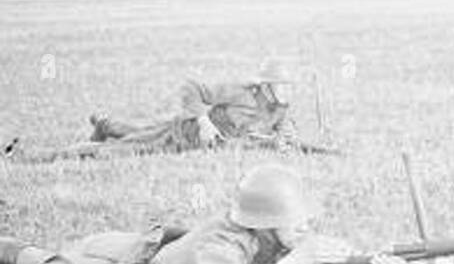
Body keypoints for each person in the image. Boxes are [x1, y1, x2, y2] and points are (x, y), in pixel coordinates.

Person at [0, 164, 421, 264]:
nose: (306, 225)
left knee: (33, 257)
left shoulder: (280, 236)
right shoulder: (221, 247)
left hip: (119, 247)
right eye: (296, 219)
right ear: (266, 222)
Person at [86, 58, 300, 154]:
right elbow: (191, 87)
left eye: (288, 87)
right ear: (265, 87)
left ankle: (106, 124)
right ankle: (60, 154)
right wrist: (205, 123)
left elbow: (284, 133)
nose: (287, 93)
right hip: (183, 133)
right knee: (126, 147)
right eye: (281, 86)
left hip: (201, 145)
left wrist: (285, 139)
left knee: (138, 131)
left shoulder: (279, 109)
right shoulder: (238, 92)